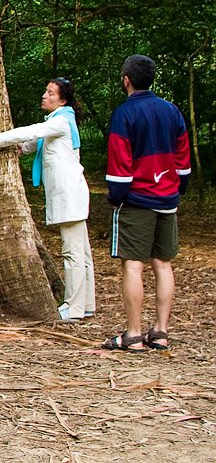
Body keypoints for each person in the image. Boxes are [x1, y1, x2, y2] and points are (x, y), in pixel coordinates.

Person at [0, 77, 94, 321]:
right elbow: (36, 142)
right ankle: (86, 303)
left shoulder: (60, 121)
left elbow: (34, 131)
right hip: (73, 195)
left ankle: (74, 307)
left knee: (73, 253)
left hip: (70, 196)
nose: (44, 96)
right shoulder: (59, 121)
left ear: (62, 100)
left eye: (50, 93)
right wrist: (18, 148)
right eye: (45, 91)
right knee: (81, 253)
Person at [101, 55, 191, 352]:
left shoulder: (124, 114)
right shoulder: (171, 111)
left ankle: (134, 334)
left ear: (126, 79)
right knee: (163, 264)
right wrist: (178, 188)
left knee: (134, 265)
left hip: (137, 200)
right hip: (167, 198)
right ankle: (161, 331)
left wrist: (116, 196)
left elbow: (119, 163)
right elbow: (182, 158)